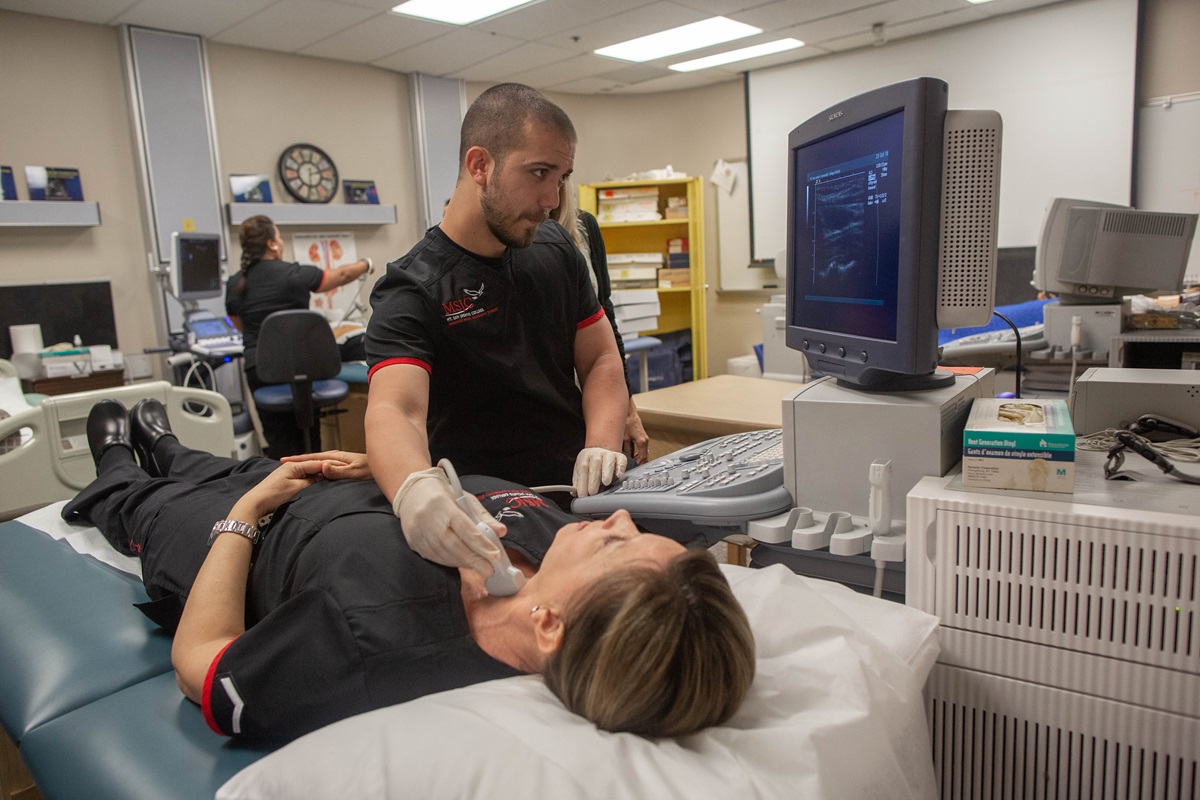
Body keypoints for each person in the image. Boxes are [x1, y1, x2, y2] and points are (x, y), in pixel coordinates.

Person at [63, 398, 756, 743]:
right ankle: (172, 446)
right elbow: (464, 486)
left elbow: (203, 667)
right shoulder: (550, 542)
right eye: (636, 530)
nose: (618, 518)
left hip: (242, 543)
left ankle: (119, 467)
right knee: (216, 463)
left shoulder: (370, 649)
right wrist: (388, 474)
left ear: (548, 624)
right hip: (337, 488)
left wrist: (244, 515)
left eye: (617, 545)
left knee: (152, 504)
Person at [364, 83, 630, 579]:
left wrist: (602, 442)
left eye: (562, 176)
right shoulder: (413, 287)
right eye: (539, 174)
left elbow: (600, 359)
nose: (553, 200)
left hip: (582, 492)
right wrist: (413, 488)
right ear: (480, 165)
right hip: (493, 516)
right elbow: (394, 408)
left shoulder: (553, 248)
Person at [226, 214, 372, 458]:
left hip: (261, 371)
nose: (281, 242)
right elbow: (341, 276)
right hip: (304, 371)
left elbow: (237, 323)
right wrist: (365, 264)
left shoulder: (234, 284)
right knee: (309, 437)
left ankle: (281, 480)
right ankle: (313, 474)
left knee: (277, 440)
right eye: (279, 237)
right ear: (272, 244)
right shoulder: (293, 274)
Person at [550, 178, 651, 465]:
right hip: (555, 407)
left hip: (598, 397)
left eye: (559, 175)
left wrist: (628, 410)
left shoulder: (583, 227)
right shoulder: (512, 236)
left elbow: (607, 319)